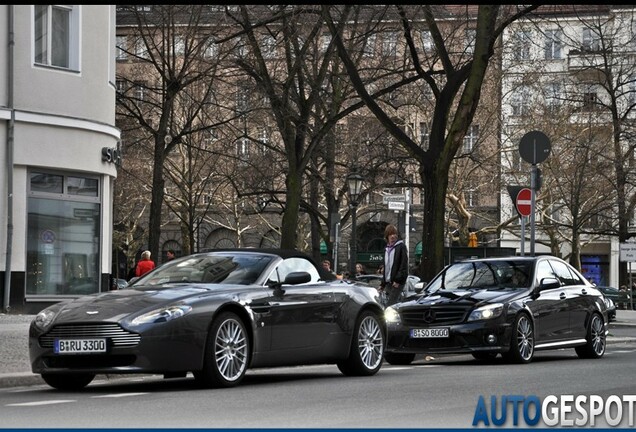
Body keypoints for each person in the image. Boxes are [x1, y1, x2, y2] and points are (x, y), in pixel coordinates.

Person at [380, 224, 409, 307]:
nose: (393, 236)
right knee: (394, 305)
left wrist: (398, 280)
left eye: (394, 234)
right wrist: (382, 284)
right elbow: (386, 268)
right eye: (390, 234)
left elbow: (403, 265)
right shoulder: (386, 249)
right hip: (389, 282)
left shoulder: (401, 247)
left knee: (390, 305)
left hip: (397, 282)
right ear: (387, 236)